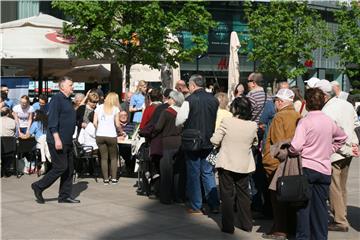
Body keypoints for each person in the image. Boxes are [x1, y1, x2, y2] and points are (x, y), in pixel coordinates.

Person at [289, 87, 348, 240]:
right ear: (323, 102)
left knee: (303, 207)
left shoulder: (305, 122)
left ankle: (304, 237)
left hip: (308, 167)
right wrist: (330, 149)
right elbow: (342, 137)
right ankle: (320, 237)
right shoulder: (328, 121)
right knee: (321, 207)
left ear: (307, 103)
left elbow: (295, 146)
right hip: (324, 168)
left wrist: (291, 150)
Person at [313, 79, 359, 232]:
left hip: (337, 152)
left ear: (324, 96)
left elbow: (332, 135)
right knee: (342, 186)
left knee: (335, 187)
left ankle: (340, 220)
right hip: (349, 149)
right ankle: (342, 215)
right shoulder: (346, 104)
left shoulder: (327, 111)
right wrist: (354, 145)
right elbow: (356, 124)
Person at [210, 96, 258, 234]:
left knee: (226, 195)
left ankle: (228, 226)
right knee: (244, 195)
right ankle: (246, 224)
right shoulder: (252, 125)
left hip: (227, 162)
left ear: (235, 108)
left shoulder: (227, 122)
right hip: (244, 164)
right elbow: (255, 142)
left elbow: (215, 140)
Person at [31, 76, 79, 204]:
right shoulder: (57, 99)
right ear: (62, 87)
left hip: (68, 140)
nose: (73, 87)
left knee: (69, 169)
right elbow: (52, 121)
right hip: (58, 140)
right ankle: (39, 186)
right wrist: (57, 139)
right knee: (61, 167)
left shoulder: (68, 100)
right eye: (70, 85)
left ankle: (64, 196)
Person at [261, 88, 301, 240]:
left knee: (277, 199)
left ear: (280, 102)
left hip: (279, 163)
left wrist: (269, 163)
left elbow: (278, 143)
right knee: (289, 197)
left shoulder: (280, 117)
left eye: (276, 101)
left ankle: (280, 229)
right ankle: (288, 227)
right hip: (293, 162)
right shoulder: (297, 115)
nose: (275, 104)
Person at [181, 74, 220, 214]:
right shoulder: (214, 100)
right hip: (210, 141)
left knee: (193, 173)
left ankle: (196, 205)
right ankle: (214, 204)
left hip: (192, 142)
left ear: (192, 85)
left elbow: (179, 120)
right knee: (208, 173)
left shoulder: (189, 100)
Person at [152, 91, 185, 204]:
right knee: (177, 172)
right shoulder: (183, 112)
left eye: (169, 98)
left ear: (173, 100)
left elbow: (158, 127)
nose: (168, 99)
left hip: (167, 143)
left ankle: (166, 197)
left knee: (166, 172)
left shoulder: (167, 112)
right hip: (180, 142)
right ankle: (177, 196)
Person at [94, 92, 121, 185]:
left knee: (104, 158)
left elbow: (94, 123)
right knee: (113, 158)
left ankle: (105, 179)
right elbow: (117, 124)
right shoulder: (115, 109)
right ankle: (113, 178)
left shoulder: (98, 107)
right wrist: (121, 131)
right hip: (111, 135)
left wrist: (100, 129)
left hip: (100, 135)